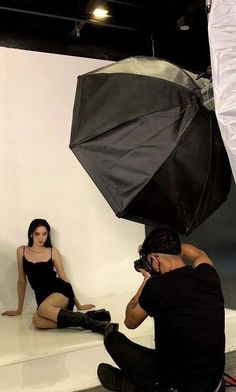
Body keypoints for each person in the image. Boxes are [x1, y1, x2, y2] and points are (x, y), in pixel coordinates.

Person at [97, 227, 225, 391]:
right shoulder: (208, 274)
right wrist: (163, 247)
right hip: (215, 383)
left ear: (155, 260)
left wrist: (146, 279)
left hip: (181, 385)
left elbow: (130, 320)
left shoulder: (156, 286)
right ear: (178, 250)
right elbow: (198, 253)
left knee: (113, 339)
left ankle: (142, 387)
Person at [2, 218, 118, 334]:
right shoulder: (21, 251)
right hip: (43, 298)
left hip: (60, 292)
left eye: (44, 234)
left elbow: (64, 278)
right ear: (31, 234)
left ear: (48, 235)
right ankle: (91, 317)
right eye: (37, 234)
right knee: (37, 321)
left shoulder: (53, 252)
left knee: (43, 309)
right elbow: (22, 281)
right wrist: (19, 309)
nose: (41, 238)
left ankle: (98, 326)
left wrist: (78, 304)